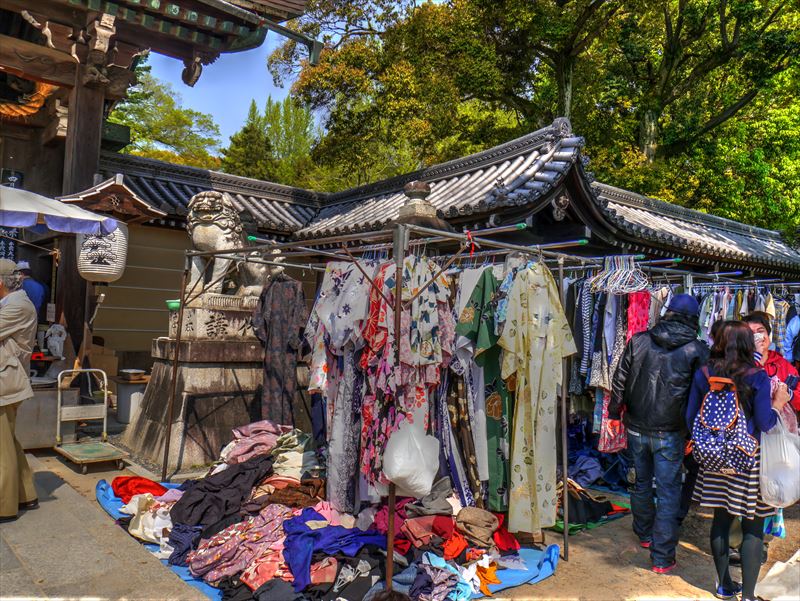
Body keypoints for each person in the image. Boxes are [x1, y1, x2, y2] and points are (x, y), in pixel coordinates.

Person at [686, 321, 791, 601]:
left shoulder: (704, 373)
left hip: (713, 459)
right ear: (747, 344)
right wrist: (778, 402)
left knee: (720, 519)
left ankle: (723, 586)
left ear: (718, 341)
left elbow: (690, 417)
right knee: (752, 524)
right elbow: (767, 423)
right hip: (747, 459)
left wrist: (712, 441)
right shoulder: (757, 377)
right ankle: (747, 596)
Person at [609, 293, 709, 574]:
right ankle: (662, 558)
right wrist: (694, 432)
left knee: (641, 483)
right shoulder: (698, 350)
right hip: (671, 431)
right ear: (693, 319)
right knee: (668, 492)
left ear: (666, 312)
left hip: (637, 425)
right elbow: (701, 395)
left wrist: (614, 414)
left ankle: (644, 535)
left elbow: (620, 378)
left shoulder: (639, 340)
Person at [0, 259, 39, 522]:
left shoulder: (17, 305)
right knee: (8, 443)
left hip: (5, 382)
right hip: (6, 379)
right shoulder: (11, 303)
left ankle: (4, 506)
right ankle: (26, 493)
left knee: (1, 449)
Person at [743, 312, 800, 411]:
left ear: (768, 336)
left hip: (781, 423)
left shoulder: (782, 364)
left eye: (760, 331)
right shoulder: (739, 364)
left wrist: (789, 394)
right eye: (751, 333)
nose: (757, 337)